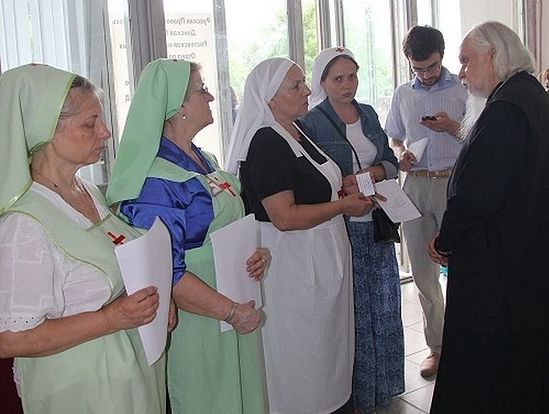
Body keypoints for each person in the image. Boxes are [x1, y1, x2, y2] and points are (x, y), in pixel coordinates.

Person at [0, 64, 167, 413]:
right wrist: (111, 318)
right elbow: (12, 339)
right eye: (89, 124)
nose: (105, 132)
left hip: (126, 375)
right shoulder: (24, 224)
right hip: (81, 389)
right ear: (45, 130)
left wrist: (160, 298)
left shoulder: (87, 191)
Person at [106, 58, 269, 414]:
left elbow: (226, 226)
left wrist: (257, 254)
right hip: (198, 319)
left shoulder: (205, 159)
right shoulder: (153, 181)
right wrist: (230, 312)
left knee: (242, 394)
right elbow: (164, 271)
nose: (210, 97)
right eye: (201, 90)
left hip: (234, 302)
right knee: (208, 399)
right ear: (176, 107)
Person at [226, 57, 373, 414]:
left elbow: (313, 187)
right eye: (296, 86)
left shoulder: (295, 130)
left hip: (321, 258)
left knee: (328, 351)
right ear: (269, 99)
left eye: (304, 82)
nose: (308, 90)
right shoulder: (266, 141)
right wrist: (342, 206)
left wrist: (344, 191)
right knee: (304, 356)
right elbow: (285, 217)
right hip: (294, 264)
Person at [427, 21, 549, 413]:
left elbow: (477, 195)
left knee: (483, 372)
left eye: (466, 60)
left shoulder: (506, 109)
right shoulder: (531, 95)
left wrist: (445, 240)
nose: (461, 72)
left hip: (496, 270)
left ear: (493, 54)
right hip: (525, 257)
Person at [300, 46, 404, 414]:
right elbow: (309, 179)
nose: (347, 85)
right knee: (354, 312)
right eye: (338, 79)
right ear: (322, 83)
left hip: (378, 219)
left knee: (385, 305)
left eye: (353, 77)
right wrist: (343, 184)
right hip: (343, 225)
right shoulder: (311, 123)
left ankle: (384, 386)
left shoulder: (369, 113)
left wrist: (371, 173)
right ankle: (356, 393)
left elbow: (390, 162)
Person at [385, 25, 467, 377]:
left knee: (464, 266)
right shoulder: (403, 94)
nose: (427, 74)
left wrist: (451, 127)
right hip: (415, 186)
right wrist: (400, 154)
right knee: (422, 272)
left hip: (455, 183)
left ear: (442, 56)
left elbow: (480, 138)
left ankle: (467, 342)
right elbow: (393, 138)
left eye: (432, 66)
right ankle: (437, 346)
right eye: (418, 69)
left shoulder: (464, 89)